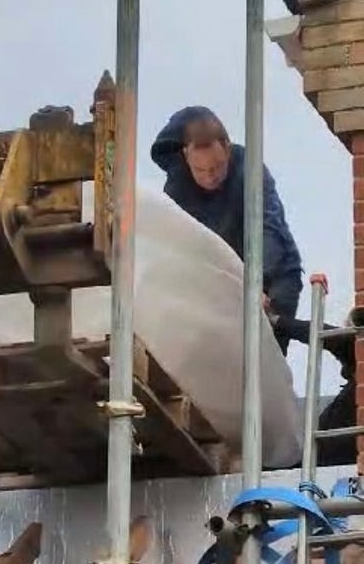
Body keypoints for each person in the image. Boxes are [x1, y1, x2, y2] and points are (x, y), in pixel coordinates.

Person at [151, 107, 303, 349]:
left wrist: (256, 285)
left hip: (274, 274)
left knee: (266, 352)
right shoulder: (177, 188)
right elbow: (178, 246)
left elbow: (269, 230)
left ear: (228, 150)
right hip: (221, 279)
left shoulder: (251, 171)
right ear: (185, 156)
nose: (210, 177)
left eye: (217, 167)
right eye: (200, 171)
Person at [267, 288, 359, 467]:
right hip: (327, 455)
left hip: (331, 457)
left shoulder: (355, 350)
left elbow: (319, 332)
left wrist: (276, 321)